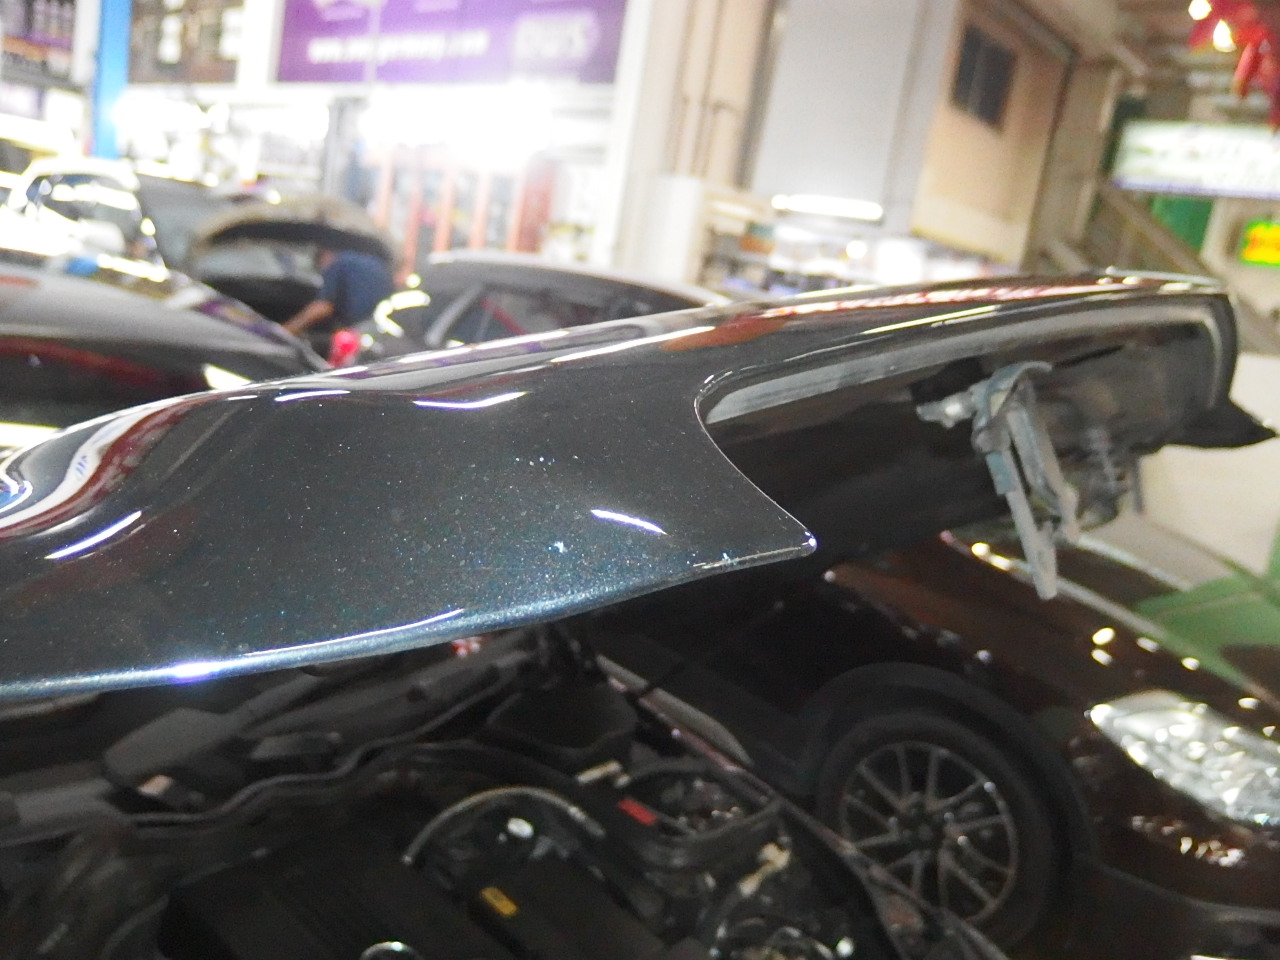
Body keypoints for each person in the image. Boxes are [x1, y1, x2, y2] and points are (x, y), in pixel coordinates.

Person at [284, 246, 395, 354]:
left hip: (359, 333)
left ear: (325, 256)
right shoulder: (375, 265)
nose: (324, 272)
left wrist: (285, 331)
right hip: (384, 331)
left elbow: (323, 307)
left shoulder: (338, 264)